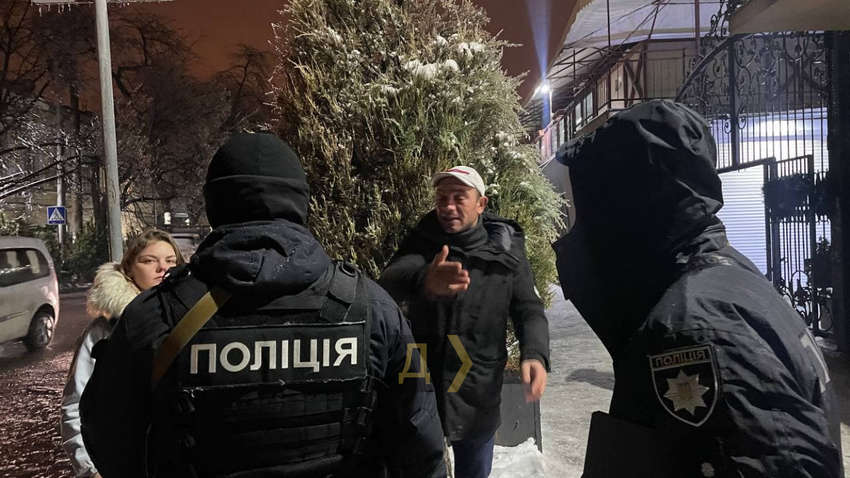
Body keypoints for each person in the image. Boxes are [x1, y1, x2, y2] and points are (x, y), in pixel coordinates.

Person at [79, 132, 445, 478]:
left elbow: (109, 437)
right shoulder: (371, 308)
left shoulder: (155, 315)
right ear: (301, 202)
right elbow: (419, 442)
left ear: (214, 203)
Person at [553, 99, 843, 477]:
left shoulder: (694, 331)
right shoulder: (727, 281)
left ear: (623, 210)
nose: (573, 237)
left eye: (583, 212)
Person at [379, 165, 550, 478]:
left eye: (459, 198)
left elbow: (528, 307)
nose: (448, 206)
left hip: (478, 391)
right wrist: (423, 279)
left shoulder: (505, 249)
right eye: (442, 198)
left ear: (481, 204)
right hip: (424, 388)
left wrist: (535, 354)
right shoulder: (424, 239)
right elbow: (388, 281)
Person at [61, 229, 184, 478]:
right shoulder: (107, 329)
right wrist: (89, 470)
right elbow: (76, 404)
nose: (162, 268)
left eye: (170, 261)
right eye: (149, 260)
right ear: (129, 269)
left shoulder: (190, 318)